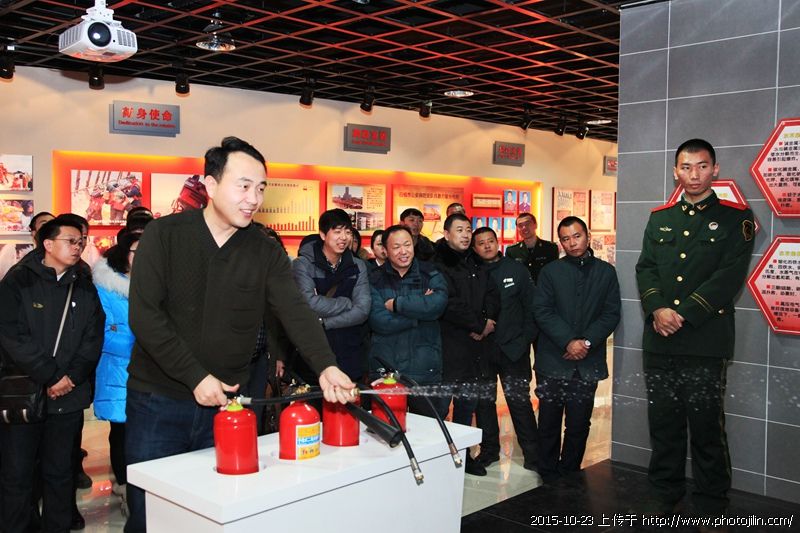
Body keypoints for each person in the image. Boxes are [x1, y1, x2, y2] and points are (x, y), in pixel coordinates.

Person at [125, 137, 354, 533]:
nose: (254, 198)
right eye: (244, 186)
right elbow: (145, 316)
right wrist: (195, 376)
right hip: (158, 401)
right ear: (211, 185)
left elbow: (295, 311)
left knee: (212, 512)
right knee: (152, 514)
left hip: (228, 405)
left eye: (261, 188)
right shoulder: (164, 234)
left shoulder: (264, 250)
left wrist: (326, 366)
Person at [635, 139, 755, 520]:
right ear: (676, 172)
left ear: (715, 169)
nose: (694, 175)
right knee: (664, 425)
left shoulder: (737, 219)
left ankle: (712, 505)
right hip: (660, 342)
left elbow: (728, 277)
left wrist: (682, 314)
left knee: (706, 429)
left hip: (705, 341)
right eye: (686, 167)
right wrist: (657, 309)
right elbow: (646, 268)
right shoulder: (660, 218)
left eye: (702, 166)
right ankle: (664, 494)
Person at [0, 216, 105, 533]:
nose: (78, 247)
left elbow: (93, 338)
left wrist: (69, 378)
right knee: (17, 475)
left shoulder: (84, 285)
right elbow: (11, 336)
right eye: (71, 241)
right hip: (25, 395)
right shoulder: (18, 281)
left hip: (68, 398)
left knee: (60, 474)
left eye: (81, 241)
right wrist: (50, 376)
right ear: (47, 244)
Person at [532, 216, 620, 483]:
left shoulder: (606, 272)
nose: (572, 243)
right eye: (566, 239)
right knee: (548, 421)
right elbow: (542, 311)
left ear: (587, 235)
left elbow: (611, 313)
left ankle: (570, 471)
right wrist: (569, 341)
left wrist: (586, 342)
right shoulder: (550, 272)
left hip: (587, 362)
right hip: (553, 360)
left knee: (579, 423)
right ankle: (547, 472)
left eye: (577, 236)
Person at [433, 213, 500, 477]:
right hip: (449, 345)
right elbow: (449, 303)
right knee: (441, 406)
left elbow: (492, 293)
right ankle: (438, 458)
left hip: (476, 348)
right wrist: (478, 324)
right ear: (446, 234)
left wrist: (488, 321)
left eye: (468, 230)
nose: (465, 235)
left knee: (467, 405)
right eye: (459, 230)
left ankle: (463, 455)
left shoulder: (476, 261)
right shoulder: (437, 263)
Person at [472, 227, 539, 471]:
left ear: (497, 242)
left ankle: (533, 454)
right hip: (482, 350)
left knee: (519, 402)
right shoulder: (472, 272)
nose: (487, 246)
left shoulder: (516, 269)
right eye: (481, 243)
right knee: (484, 403)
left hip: (513, 350)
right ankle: (489, 451)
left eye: (490, 241)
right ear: (474, 248)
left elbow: (532, 308)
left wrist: (524, 341)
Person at [368, 225, 448, 417]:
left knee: (430, 428)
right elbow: (379, 320)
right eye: (396, 247)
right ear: (385, 250)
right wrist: (419, 315)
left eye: (407, 245)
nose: (403, 251)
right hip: (386, 369)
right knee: (387, 428)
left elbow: (437, 305)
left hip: (425, 368)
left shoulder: (431, 273)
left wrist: (397, 304)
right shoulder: (374, 279)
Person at [92, 229, 141, 516]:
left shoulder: (155, 281)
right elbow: (104, 334)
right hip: (118, 370)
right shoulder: (105, 287)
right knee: (121, 432)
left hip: (153, 371)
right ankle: (123, 486)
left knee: (145, 434)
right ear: (124, 253)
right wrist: (145, 345)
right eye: (136, 251)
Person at [292, 209, 370, 382]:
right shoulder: (303, 264)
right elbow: (309, 304)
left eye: (348, 232)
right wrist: (346, 303)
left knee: (349, 397)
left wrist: (325, 322)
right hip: (313, 351)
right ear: (322, 234)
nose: (343, 237)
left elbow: (363, 310)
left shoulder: (358, 266)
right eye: (337, 231)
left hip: (349, 350)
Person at [506, 213, 558, 285]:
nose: (524, 228)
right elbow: (510, 276)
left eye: (527, 224)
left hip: (544, 290)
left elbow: (555, 274)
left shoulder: (550, 248)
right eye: (520, 226)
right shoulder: (512, 251)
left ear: (535, 225)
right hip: (522, 291)